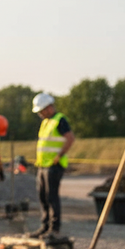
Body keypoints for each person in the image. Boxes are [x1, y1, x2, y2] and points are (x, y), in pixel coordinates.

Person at [31, 92, 75, 237]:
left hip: (54, 165)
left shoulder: (60, 120)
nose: (40, 114)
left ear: (49, 107)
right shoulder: (45, 122)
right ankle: (45, 226)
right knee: (43, 196)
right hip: (43, 165)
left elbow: (69, 138)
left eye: (41, 111)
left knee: (52, 197)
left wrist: (59, 155)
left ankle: (54, 229)